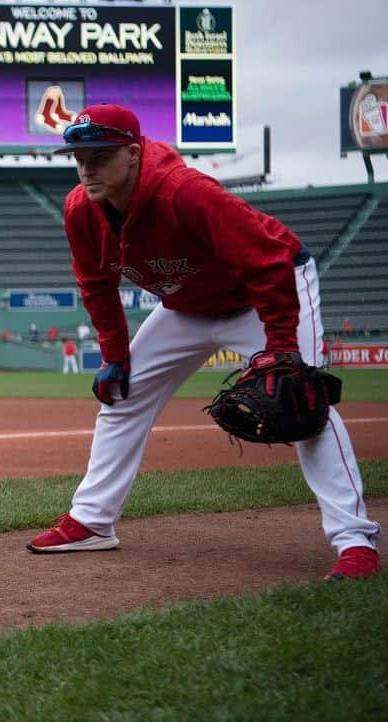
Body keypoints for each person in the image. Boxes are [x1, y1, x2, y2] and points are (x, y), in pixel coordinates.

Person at [26, 104, 381, 581]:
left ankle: (354, 542)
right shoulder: (80, 210)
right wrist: (115, 355)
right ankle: (92, 521)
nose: (87, 167)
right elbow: (95, 284)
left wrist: (280, 346)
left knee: (305, 403)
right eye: (79, 156)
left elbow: (271, 261)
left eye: (100, 155)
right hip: (186, 307)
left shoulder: (185, 194)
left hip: (262, 293)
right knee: (122, 396)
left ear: (132, 154)